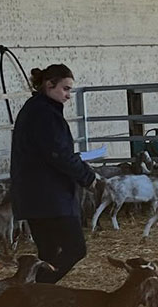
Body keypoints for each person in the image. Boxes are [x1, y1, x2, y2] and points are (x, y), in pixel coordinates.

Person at [10, 64, 96, 283]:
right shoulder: (44, 114)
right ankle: (32, 292)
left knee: (48, 253)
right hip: (49, 196)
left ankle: (33, 297)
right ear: (49, 85)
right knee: (75, 248)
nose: (68, 95)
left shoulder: (36, 109)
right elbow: (58, 154)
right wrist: (88, 177)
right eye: (65, 89)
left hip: (35, 195)